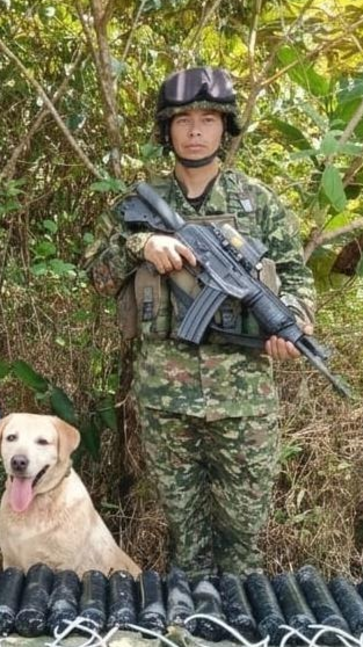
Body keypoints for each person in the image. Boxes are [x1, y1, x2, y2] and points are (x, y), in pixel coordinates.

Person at [85, 67, 317, 577]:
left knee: (244, 546)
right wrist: (139, 244)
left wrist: (293, 323)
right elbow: (97, 275)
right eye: (184, 120)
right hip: (165, 397)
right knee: (185, 545)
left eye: (208, 119)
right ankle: (188, 620)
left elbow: (297, 277)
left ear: (224, 128)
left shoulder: (259, 204)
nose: (195, 131)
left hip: (244, 399)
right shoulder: (138, 204)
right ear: (166, 129)